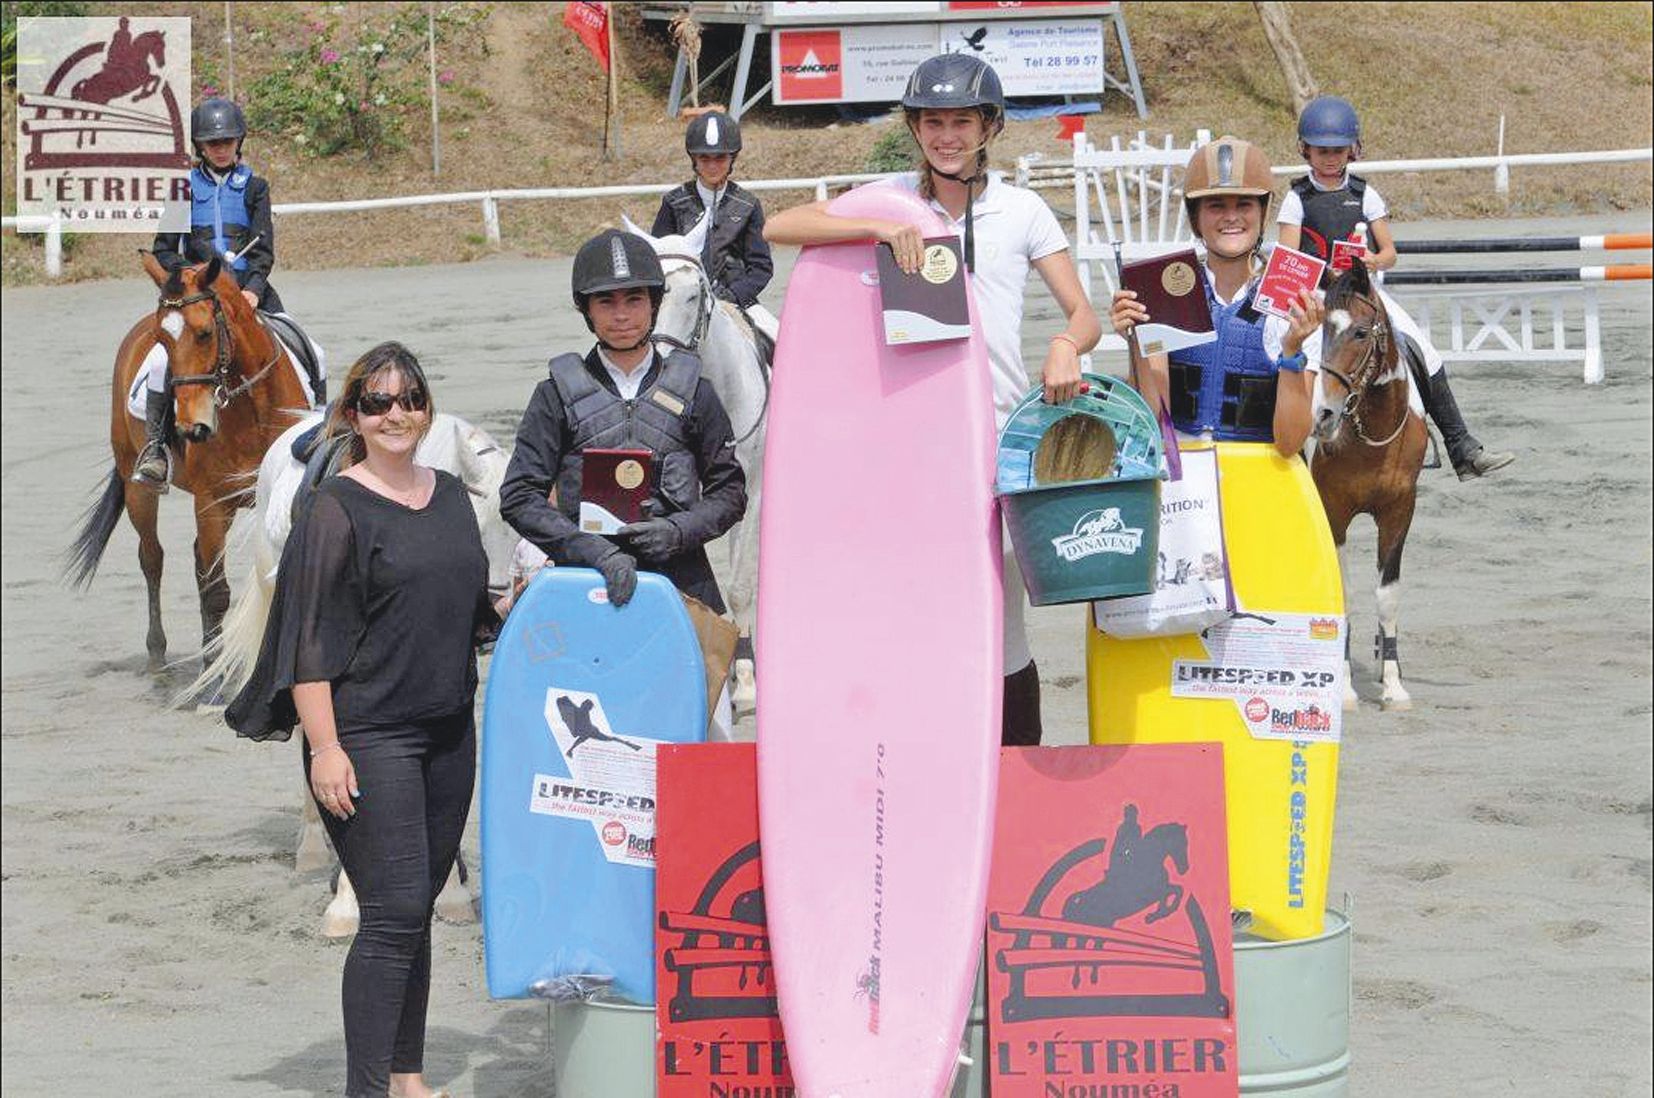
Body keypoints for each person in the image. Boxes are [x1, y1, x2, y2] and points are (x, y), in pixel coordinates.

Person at [763, 53, 1102, 747]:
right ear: (915, 128)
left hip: (1000, 440)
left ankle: (1014, 767)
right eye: (932, 123)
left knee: (1003, 623)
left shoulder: (1023, 209)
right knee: (916, 611)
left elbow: (1085, 315)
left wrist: (1068, 344)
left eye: (961, 122)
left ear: (988, 128)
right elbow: (780, 225)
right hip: (911, 446)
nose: (946, 136)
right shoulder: (889, 197)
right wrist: (876, 227)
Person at [226, 342, 493, 1098]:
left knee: (417, 911)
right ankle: (366, 1090)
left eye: (409, 398)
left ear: (426, 407)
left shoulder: (447, 495)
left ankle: (408, 1078)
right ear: (353, 415)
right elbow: (308, 644)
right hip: (370, 736)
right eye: (377, 403)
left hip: (450, 733)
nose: (395, 414)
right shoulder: (334, 510)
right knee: (394, 911)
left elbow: (470, 608)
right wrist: (326, 749)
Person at [499, 229, 747, 718]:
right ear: (586, 310)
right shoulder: (555, 394)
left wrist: (679, 531)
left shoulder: (696, 390)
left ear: (654, 304)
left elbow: (730, 491)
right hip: (585, 591)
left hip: (685, 592)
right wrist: (589, 550)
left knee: (705, 741)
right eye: (605, 301)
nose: (621, 314)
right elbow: (519, 495)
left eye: (634, 299)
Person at [1278, 95, 1514, 480]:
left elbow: (1390, 252)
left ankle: (1462, 446)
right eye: (1322, 151)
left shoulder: (1365, 195)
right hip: (1319, 298)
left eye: (1338, 150)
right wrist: (1321, 275)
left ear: (1352, 150)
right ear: (1306, 150)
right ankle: (1294, 460)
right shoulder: (1295, 198)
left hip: (1363, 295)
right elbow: (1289, 256)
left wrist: (1372, 261)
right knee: (1296, 359)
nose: (1330, 158)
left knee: (1425, 350)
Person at [136, 97, 326, 489]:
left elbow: (263, 249)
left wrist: (253, 290)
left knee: (315, 352)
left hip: (250, 296)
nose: (220, 147)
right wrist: (190, 275)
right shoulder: (181, 191)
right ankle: (155, 448)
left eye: (227, 140)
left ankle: (318, 438)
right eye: (212, 142)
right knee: (157, 363)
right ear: (200, 147)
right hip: (200, 298)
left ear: (239, 141)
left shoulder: (256, 188)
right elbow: (163, 250)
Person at [1111, 135, 1323, 457]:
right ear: (1195, 217)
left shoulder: (1295, 304)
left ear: (1263, 212)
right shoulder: (1165, 293)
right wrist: (1137, 341)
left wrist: (1292, 351)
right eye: (1216, 205)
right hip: (1184, 479)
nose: (1231, 216)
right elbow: (1152, 418)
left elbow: (1290, 443)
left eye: (1244, 204)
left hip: (1261, 477)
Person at [650, 110, 774, 309]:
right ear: (694, 159)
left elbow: (761, 267)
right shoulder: (674, 203)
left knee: (775, 335)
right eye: (704, 158)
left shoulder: (747, 205)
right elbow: (659, 259)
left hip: (736, 301)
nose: (712, 166)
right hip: (683, 302)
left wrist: (734, 295)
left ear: (732, 158)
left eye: (720, 158)